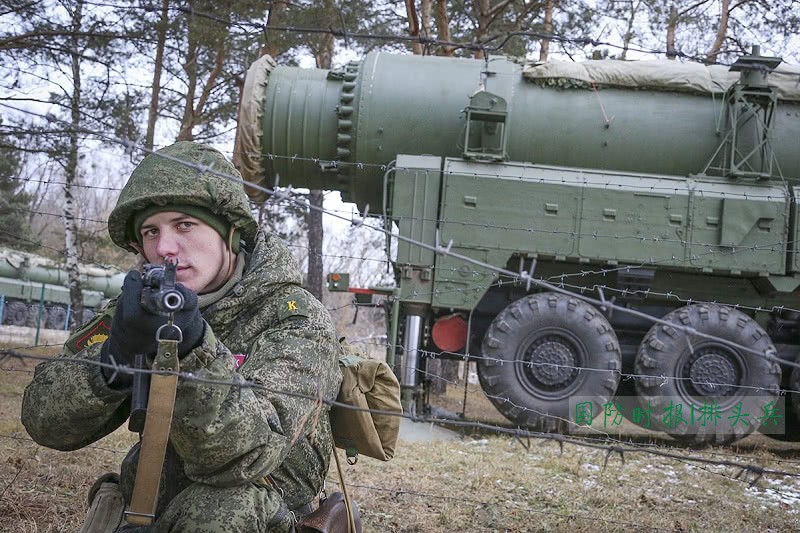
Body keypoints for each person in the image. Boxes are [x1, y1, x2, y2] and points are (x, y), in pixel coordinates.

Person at [21, 141, 342, 532]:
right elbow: (44, 423)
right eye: (151, 231)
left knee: (223, 506)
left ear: (231, 232)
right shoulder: (140, 307)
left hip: (257, 510)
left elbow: (249, 456)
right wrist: (113, 361)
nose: (165, 248)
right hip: (154, 504)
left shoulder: (295, 318)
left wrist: (192, 349)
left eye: (185, 224)